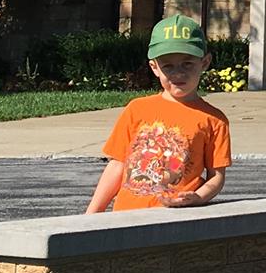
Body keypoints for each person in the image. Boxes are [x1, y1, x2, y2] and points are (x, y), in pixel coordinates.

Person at [85, 14, 232, 212]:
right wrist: (92, 213)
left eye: (187, 63)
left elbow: (217, 177)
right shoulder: (137, 109)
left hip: (175, 221)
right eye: (168, 66)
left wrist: (198, 197)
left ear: (204, 63)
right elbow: (117, 165)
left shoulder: (214, 120)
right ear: (154, 67)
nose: (178, 73)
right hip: (126, 218)